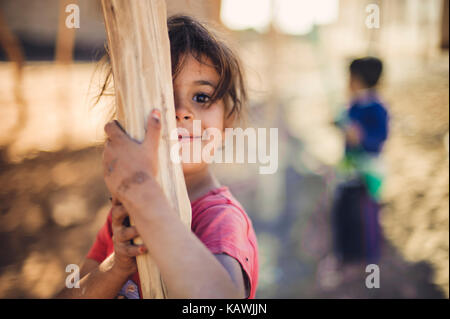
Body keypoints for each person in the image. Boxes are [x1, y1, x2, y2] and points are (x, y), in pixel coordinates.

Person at [56, 15, 258, 299]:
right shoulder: (125, 213)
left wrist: (145, 196)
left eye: (201, 97)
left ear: (228, 122)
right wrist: (115, 267)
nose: (181, 111)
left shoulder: (219, 218)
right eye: (161, 97)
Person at [332, 56, 389, 265]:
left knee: (366, 214)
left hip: (368, 173)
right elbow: (344, 124)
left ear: (358, 80)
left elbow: (379, 138)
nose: (347, 82)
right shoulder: (353, 105)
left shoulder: (377, 107)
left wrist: (361, 137)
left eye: (350, 78)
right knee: (344, 210)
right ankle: (346, 253)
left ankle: (368, 256)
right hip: (349, 171)